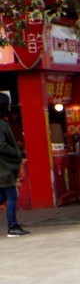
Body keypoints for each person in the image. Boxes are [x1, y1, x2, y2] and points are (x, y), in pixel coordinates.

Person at [0, 95, 30, 237]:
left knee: (2, 196)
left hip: (3, 167)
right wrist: (17, 153)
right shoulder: (1, 124)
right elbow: (1, 145)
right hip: (3, 168)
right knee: (11, 195)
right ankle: (12, 226)